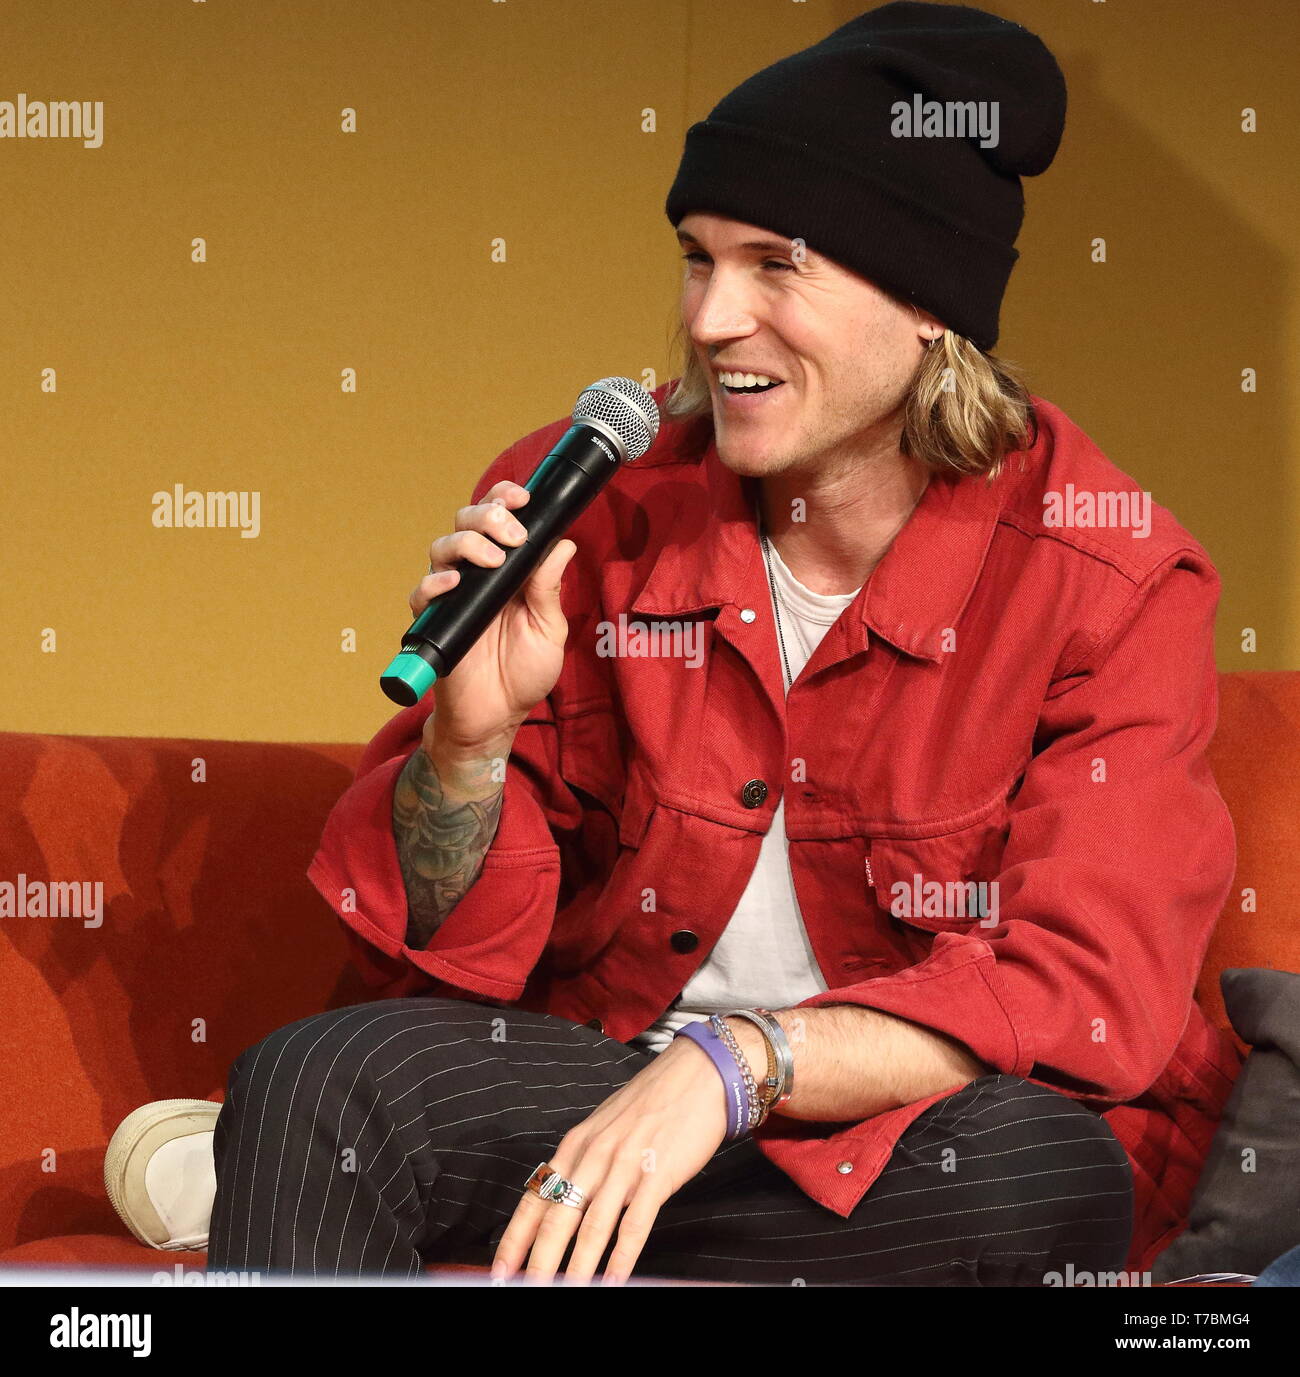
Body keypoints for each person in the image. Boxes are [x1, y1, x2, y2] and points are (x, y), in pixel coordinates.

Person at [192, 2, 1240, 1285]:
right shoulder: (586, 506)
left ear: (929, 303)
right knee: (316, 1081)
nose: (707, 317)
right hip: (607, 1076)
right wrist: (467, 749)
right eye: (697, 258)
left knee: (1038, 1178)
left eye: (773, 264)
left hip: (892, 1128)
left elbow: (1081, 984)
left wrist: (738, 1067)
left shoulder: (1110, 577)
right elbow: (448, 958)